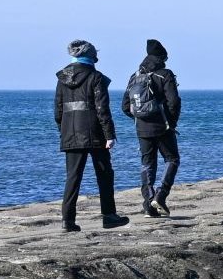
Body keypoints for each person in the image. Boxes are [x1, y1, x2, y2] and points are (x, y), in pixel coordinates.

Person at [55, 40, 128, 232]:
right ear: (92, 57)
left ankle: (67, 221)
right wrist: (110, 135)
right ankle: (109, 216)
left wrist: (62, 130)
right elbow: (102, 109)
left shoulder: (62, 78)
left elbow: (58, 110)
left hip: (70, 133)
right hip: (95, 134)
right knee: (104, 174)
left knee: (73, 177)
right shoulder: (96, 78)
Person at [121, 39, 182, 217]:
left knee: (147, 165)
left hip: (141, 128)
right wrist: (171, 122)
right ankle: (160, 195)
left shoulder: (135, 76)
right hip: (162, 126)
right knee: (172, 160)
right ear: (162, 57)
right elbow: (174, 102)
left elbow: (125, 106)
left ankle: (148, 205)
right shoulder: (165, 74)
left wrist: (140, 118)